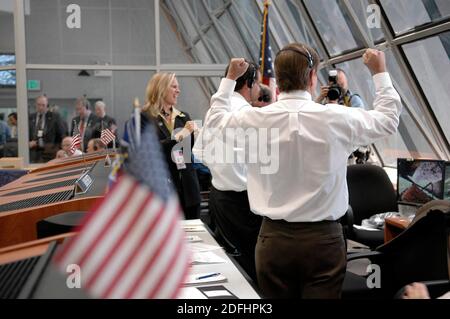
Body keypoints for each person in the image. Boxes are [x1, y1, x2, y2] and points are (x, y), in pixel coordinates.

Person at [203, 44, 402, 298]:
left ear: (279, 77)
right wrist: (380, 72)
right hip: (323, 243)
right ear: (311, 77)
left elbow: (215, 122)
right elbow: (389, 119)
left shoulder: (254, 119)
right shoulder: (338, 118)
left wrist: (229, 79)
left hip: (272, 241)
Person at [193, 61, 263, 282]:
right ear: (249, 84)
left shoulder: (215, 111)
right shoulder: (247, 113)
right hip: (245, 203)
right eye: (258, 82)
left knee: (230, 265)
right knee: (252, 266)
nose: (260, 88)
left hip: (219, 198)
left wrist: (221, 166)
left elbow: (199, 151)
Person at [139, 72, 201, 219]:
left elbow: (188, 153)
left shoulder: (183, 117)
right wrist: (180, 135)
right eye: (174, 87)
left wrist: (198, 136)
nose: (178, 91)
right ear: (161, 89)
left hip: (189, 190)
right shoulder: (143, 117)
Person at [29, 95, 65, 162]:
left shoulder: (55, 117)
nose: (41, 107)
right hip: (33, 153)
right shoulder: (30, 117)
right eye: (38, 105)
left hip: (49, 152)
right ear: (35, 105)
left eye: (43, 105)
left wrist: (62, 149)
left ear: (47, 105)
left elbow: (62, 134)